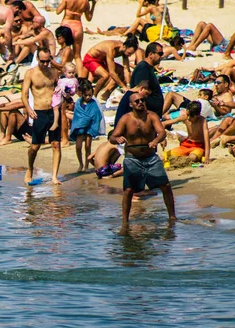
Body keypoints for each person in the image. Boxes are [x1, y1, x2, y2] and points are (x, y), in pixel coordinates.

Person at [110, 92, 176, 225]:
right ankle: (125, 221)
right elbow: (112, 137)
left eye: (142, 100)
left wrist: (156, 141)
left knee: (166, 186)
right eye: (137, 101)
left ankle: (172, 217)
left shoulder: (151, 116)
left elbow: (162, 132)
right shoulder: (125, 119)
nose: (140, 103)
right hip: (132, 158)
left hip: (151, 157)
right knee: (128, 190)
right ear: (131, 105)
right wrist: (117, 139)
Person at [22, 48, 61, 184]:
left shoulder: (54, 72)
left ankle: (54, 176)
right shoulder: (31, 73)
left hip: (53, 112)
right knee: (35, 146)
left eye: (47, 61)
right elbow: (24, 94)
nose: (45, 64)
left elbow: (60, 88)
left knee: (56, 144)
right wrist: (28, 109)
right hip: (39, 112)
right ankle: (30, 169)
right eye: (42, 61)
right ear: (37, 59)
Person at [81, 35, 138, 100]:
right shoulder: (112, 49)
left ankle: (105, 94)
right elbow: (112, 73)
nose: (129, 55)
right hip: (91, 59)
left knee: (122, 72)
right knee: (105, 76)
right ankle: (94, 96)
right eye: (129, 53)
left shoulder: (124, 51)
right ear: (124, 47)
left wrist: (128, 85)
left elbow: (126, 70)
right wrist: (123, 87)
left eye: (131, 54)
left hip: (103, 60)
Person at [70, 79, 104, 172]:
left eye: (90, 95)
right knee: (78, 146)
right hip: (79, 127)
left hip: (90, 127)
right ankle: (80, 164)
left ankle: (86, 165)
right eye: (86, 95)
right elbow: (77, 116)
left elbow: (97, 115)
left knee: (88, 146)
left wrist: (88, 120)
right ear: (81, 94)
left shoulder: (93, 103)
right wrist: (84, 120)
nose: (88, 97)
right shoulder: (78, 103)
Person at [56, 0, 97, 76]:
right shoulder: (85, 2)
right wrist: (93, 4)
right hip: (77, 25)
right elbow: (89, 18)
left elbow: (58, 11)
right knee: (77, 56)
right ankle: (81, 77)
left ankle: (62, 72)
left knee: (64, 51)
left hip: (67, 24)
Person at [130, 41, 164, 116]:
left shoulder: (149, 67)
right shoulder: (143, 68)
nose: (161, 57)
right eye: (160, 54)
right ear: (151, 54)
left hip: (155, 111)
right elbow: (139, 92)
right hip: (148, 114)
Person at [50, 62, 78, 132]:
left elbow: (72, 91)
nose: (71, 74)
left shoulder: (72, 81)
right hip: (58, 95)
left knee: (56, 108)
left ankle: (55, 122)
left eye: (73, 73)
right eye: (69, 73)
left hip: (63, 97)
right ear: (65, 72)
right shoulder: (62, 79)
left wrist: (66, 91)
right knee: (58, 110)